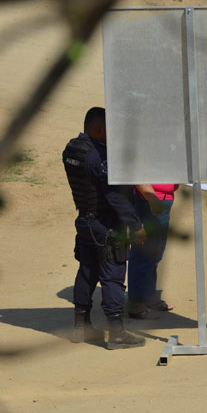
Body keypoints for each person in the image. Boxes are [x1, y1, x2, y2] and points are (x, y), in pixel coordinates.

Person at [62, 107, 147, 349]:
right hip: (106, 225)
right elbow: (115, 196)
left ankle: (81, 328)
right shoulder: (99, 157)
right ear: (99, 129)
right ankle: (117, 333)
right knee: (112, 278)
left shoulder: (72, 149)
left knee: (87, 273)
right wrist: (135, 225)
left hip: (84, 223)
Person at [126, 184, 178, 319]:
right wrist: (151, 197)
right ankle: (136, 304)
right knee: (142, 254)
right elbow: (136, 171)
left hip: (165, 200)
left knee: (156, 253)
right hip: (147, 201)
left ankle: (148, 297)